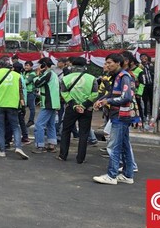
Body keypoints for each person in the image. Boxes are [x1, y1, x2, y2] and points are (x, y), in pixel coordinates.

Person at [93, 53, 136, 185]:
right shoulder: (116, 77)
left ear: (118, 63)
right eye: (106, 63)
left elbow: (126, 97)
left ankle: (111, 175)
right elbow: (111, 94)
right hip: (119, 115)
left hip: (121, 115)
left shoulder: (124, 76)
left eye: (110, 62)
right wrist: (101, 101)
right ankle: (128, 175)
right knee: (124, 145)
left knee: (113, 146)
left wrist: (108, 101)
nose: (107, 65)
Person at [58, 57, 98, 164]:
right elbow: (95, 94)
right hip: (87, 109)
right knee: (84, 133)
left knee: (66, 131)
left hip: (71, 108)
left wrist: (75, 105)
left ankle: (63, 155)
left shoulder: (65, 78)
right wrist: (84, 105)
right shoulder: (92, 78)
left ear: (72, 65)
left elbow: (64, 93)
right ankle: (80, 158)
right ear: (85, 66)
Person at [0, 56, 28, 160]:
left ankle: (2, 150)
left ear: (0, 63)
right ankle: (18, 147)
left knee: (0, 128)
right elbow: (21, 91)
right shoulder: (17, 75)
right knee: (15, 127)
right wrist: (22, 105)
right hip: (13, 105)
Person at [31, 57, 61, 154]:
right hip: (54, 102)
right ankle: (52, 144)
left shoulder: (48, 74)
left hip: (49, 103)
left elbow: (38, 83)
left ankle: (40, 145)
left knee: (39, 125)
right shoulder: (53, 74)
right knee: (50, 124)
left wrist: (37, 74)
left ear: (44, 65)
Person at [23, 60, 37, 126]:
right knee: (23, 107)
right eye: (25, 65)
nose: (26, 67)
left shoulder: (33, 74)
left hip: (30, 92)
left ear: (31, 66)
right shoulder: (23, 72)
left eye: (27, 65)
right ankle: (22, 120)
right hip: (24, 93)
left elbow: (26, 81)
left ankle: (31, 120)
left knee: (32, 108)